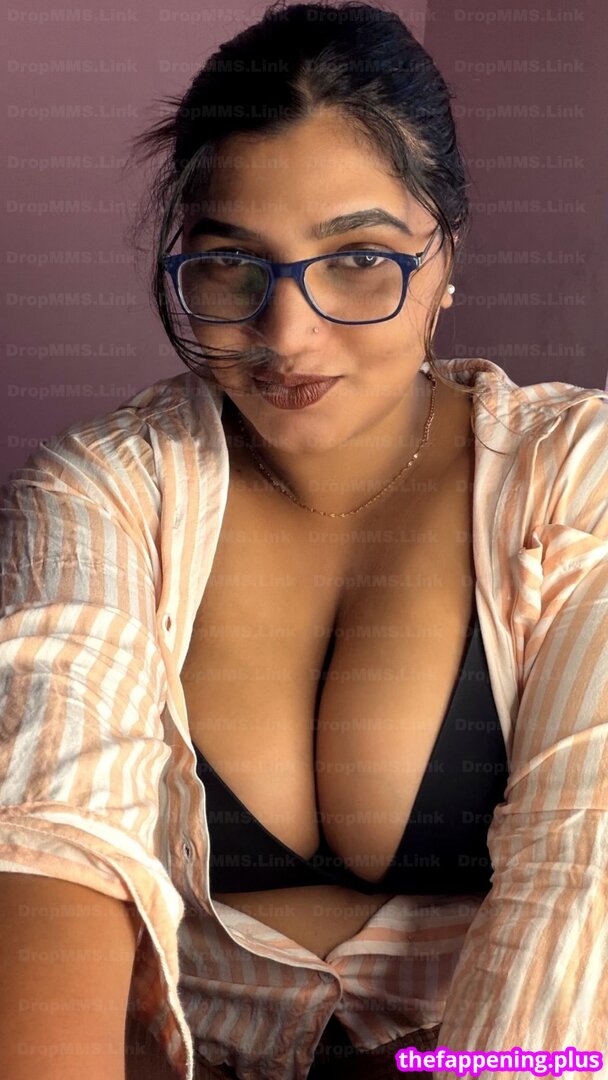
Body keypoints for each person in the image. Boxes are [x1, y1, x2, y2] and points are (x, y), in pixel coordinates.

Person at [1, 2, 607, 1079]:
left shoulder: (572, 478)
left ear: (444, 255)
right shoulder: (103, 490)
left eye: (359, 258)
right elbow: (50, 840)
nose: (288, 335)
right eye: (232, 263)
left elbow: (581, 878)